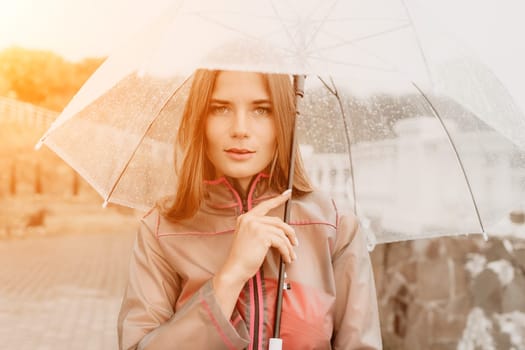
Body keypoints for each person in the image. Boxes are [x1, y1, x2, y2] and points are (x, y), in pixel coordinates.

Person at [117, 69, 382, 349]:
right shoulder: (161, 231)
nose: (240, 129)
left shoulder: (335, 227)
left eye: (261, 110)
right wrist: (231, 276)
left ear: (283, 119)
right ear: (200, 119)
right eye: (220, 108)